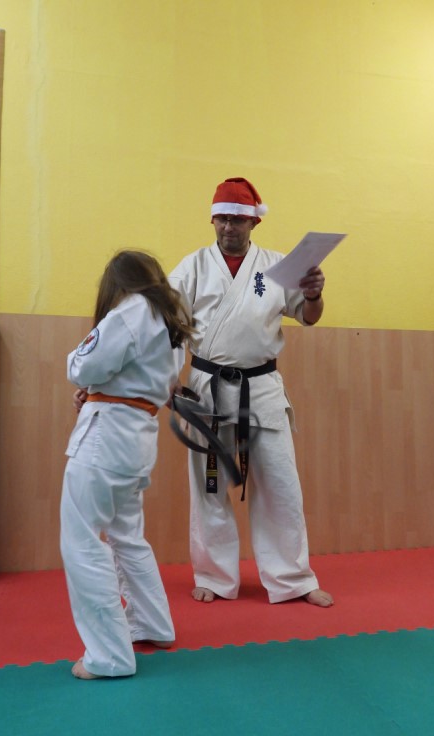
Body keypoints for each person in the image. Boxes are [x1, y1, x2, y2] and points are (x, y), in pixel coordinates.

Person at [168, 177, 334, 608]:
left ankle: (293, 578)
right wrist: (168, 380)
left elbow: (309, 316)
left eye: (238, 219)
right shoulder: (191, 268)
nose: (229, 226)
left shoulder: (277, 266)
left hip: (261, 388)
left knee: (280, 484)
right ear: (212, 219)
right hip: (207, 388)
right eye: (222, 218)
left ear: (253, 222)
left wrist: (314, 294)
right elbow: (169, 329)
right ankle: (214, 575)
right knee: (209, 486)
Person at [60, 249, 194, 680]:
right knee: (127, 536)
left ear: (118, 283)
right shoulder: (171, 322)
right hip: (136, 437)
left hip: (106, 440)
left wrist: (89, 382)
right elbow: (150, 380)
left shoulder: (130, 311)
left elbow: (83, 365)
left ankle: (108, 656)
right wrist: (97, 389)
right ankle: (153, 624)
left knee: (83, 541)